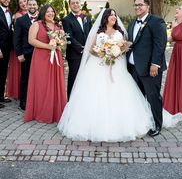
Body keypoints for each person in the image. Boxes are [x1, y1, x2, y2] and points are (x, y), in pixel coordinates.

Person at [58, 8, 155, 142]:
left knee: (118, 93)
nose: (114, 17)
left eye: (115, 15)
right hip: (98, 66)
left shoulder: (120, 33)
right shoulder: (99, 32)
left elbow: (125, 48)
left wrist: (116, 53)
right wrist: (103, 53)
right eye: (111, 15)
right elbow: (90, 48)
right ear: (105, 18)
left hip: (117, 67)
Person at [127, 0, 167, 137]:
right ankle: (142, 123)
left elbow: (160, 45)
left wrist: (155, 64)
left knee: (153, 97)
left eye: (141, 5)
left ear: (148, 6)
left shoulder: (156, 21)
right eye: (135, 5)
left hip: (151, 68)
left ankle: (157, 125)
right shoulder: (132, 24)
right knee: (137, 98)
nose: (137, 7)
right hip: (133, 68)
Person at [24, 4, 66, 123]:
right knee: (42, 84)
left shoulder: (58, 26)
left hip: (55, 58)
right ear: (43, 13)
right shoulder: (36, 25)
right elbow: (31, 40)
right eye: (48, 12)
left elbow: (62, 44)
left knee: (54, 84)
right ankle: (41, 111)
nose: (50, 14)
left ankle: (56, 111)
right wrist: (48, 46)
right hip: (41, 58)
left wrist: (61, 39)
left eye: (52, 11)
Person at [62, 0, 92, 100]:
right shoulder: (66, 20)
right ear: (70, 6)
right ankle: (71, 101)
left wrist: (90, 48)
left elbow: (91, 34)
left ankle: (83, 99)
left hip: (88, 53)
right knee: (73, 78)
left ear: (80, 4)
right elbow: (69, 36)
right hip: (74, 55)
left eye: (77, 3)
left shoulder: (87, 18)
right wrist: (82, 48)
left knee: (86, 78)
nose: (75, 5)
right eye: (73, 3)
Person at [13, 0, 39, 110]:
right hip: (26, 54)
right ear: (27, 6)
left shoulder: (41, 19)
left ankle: (37, 100)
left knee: (38, 78)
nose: (32, 6)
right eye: (30, 5)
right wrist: (19, 54)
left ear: (37, 6)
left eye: (34, 4)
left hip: (40, 54)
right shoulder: (21, 20)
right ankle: (23, 102)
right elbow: (16, 39)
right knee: (25, 78)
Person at [6, 0, 28, 99]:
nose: (23, 4)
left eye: (24, 1)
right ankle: (20, 93)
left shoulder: (36, 12)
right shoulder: (18, 15)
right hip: (21, 47)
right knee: (21, 71)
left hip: (32, 46)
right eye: (21, 3)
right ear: (18, 5)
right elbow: (17, 34)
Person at [0, 0, 13, 108]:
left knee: (3, 72)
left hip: (7, 47)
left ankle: (1, 96)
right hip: (0, 48)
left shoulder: (9, 12)